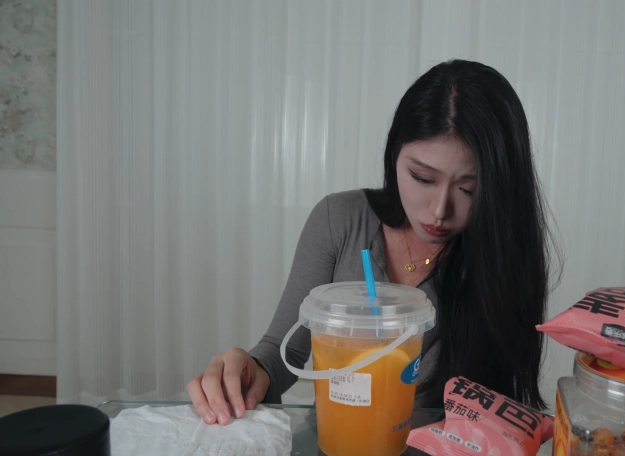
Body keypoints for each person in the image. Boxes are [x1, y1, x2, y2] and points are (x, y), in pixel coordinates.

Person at [187, 59, 558, 426]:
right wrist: (249, 370)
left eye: (469, 189)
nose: (439, 210)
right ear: (394, 154)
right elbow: (284, 351)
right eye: (422, 177)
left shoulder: (503, 260)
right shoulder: (340, 221)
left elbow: (498, 414)